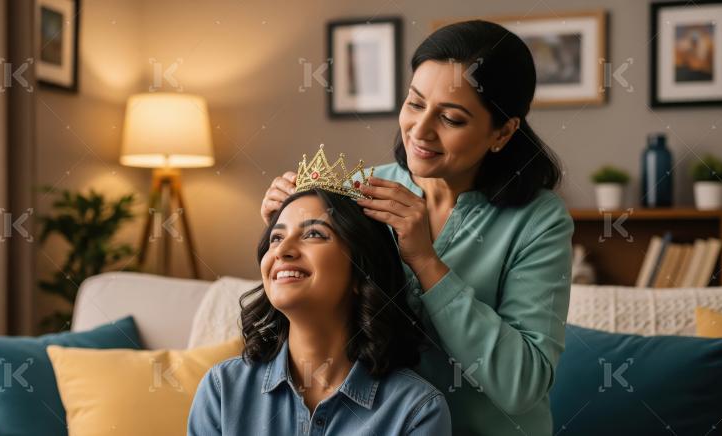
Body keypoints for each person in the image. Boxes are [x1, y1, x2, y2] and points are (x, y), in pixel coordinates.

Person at [261, 20, 574, 435]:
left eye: (451, 118)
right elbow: (313, 324)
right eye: (414, 103)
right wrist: (284, 229)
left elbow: (522, 385)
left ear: (502, 131)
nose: (420, 131)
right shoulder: (359, 191)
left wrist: (426, 262)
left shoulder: (539, 220)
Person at [189, 181, 452, 435]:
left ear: (362, 272)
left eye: (313, 234)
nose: (283, 250)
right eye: (276, 237)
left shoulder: (415, 411)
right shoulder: (223, 389)